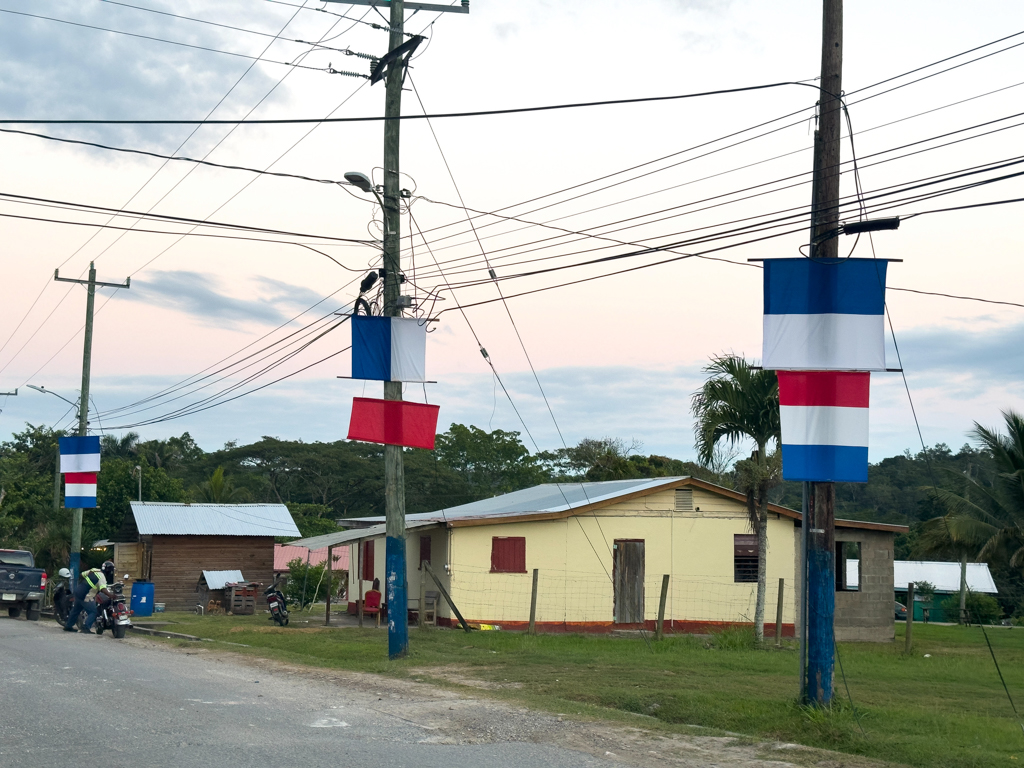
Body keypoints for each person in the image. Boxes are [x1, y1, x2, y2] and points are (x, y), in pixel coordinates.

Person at [64, 560, 114, 634]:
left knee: (76, 610)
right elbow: (103, 589)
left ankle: (68, 626)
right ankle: (86, 628)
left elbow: (81, 575)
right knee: (93, 612)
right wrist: (111, 596)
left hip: (78, 591)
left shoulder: (94, 570)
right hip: (85, 595)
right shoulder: (102, 577)